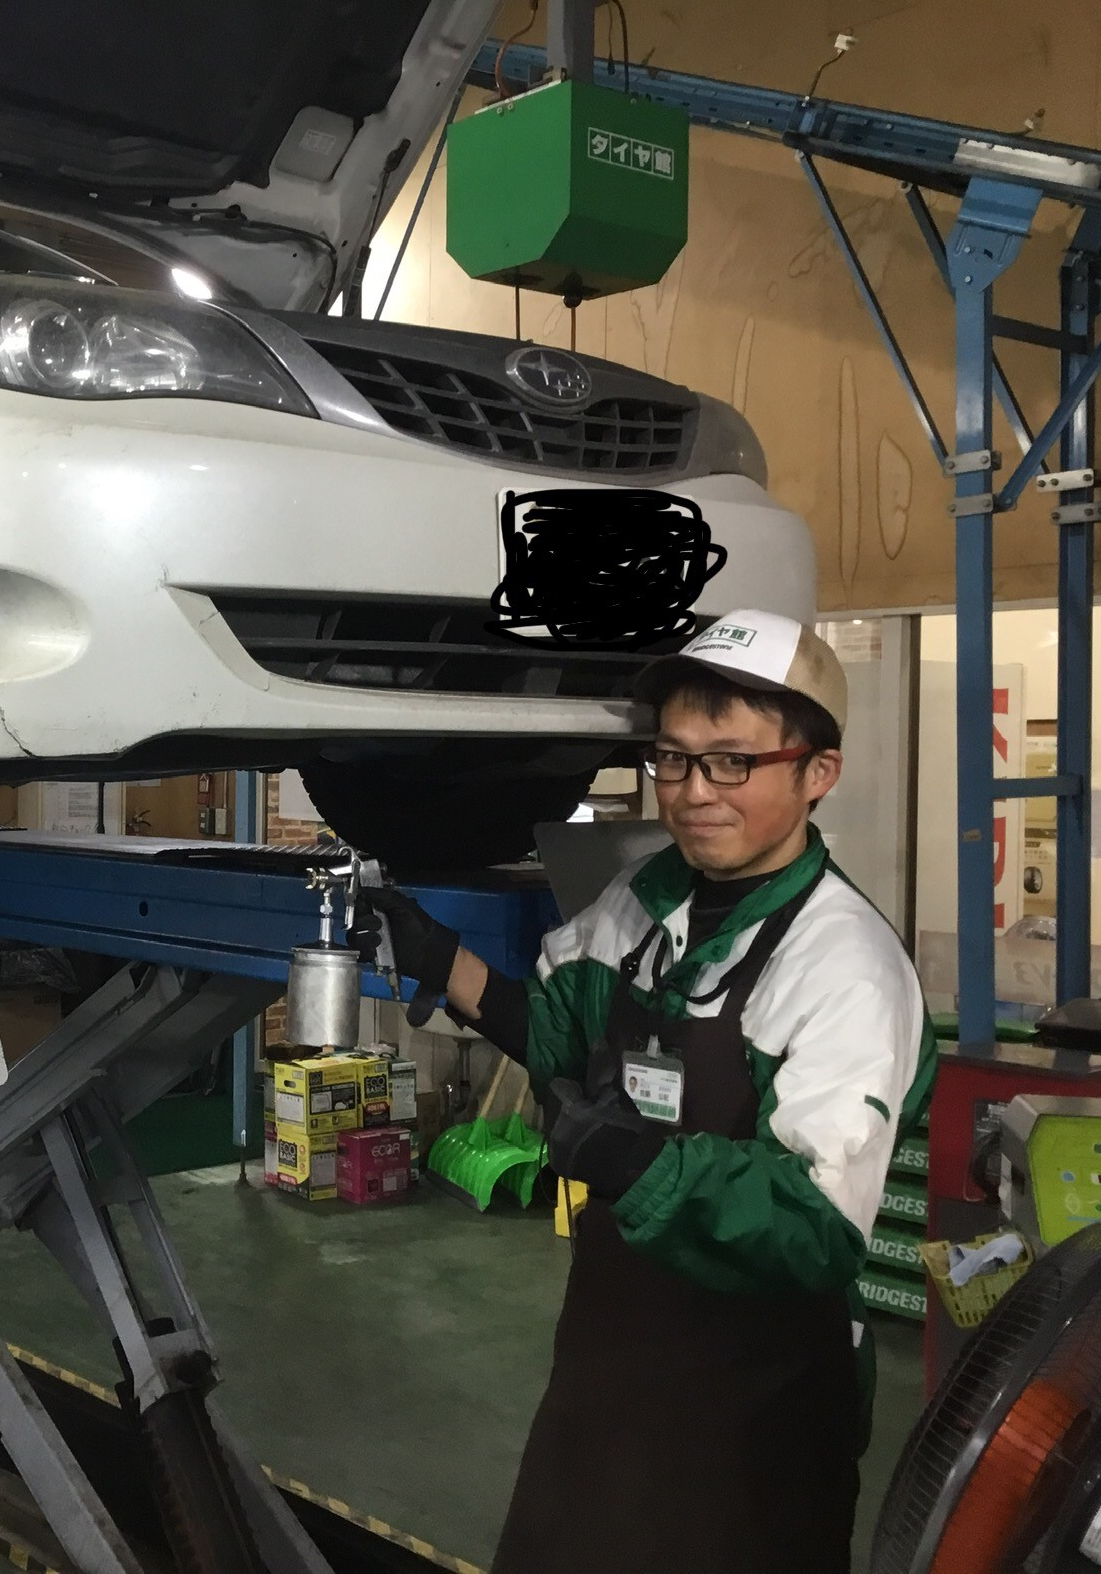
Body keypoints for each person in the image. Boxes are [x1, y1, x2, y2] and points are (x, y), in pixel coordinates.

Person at [354, 609, 934, 1574]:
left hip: (755, 1416)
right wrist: (439, 956)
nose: (694, 791)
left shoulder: (846, 967)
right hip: (608, 1373)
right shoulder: (644, 900)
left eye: (731, 762)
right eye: (672, 758)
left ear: (816, 772)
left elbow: (815, 1222)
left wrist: (641, 1163)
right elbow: (558, 1032)